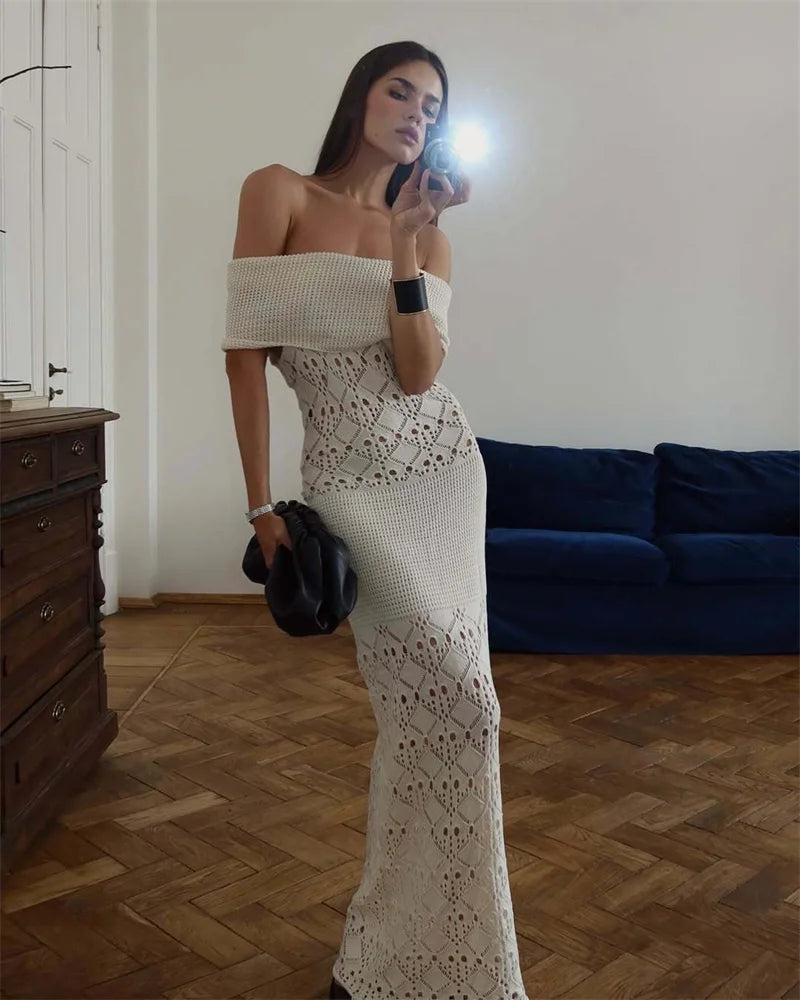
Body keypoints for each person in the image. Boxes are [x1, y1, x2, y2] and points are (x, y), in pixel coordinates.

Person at [222, 40, 528, 1000]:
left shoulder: (428, 237)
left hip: (442, 474)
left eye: (433, 107)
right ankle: (398, 955)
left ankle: (418, 963)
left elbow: (419, 375)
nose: (416, 114)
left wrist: (404, 239)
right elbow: (242, 356)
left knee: (450, 716)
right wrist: (260, 505)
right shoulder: (279, 192)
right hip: (349, 486)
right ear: (363, 95)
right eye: (402, 92)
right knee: (453, 705)